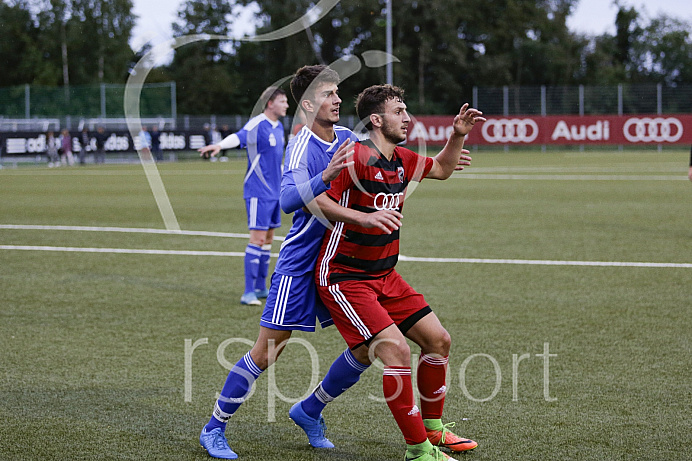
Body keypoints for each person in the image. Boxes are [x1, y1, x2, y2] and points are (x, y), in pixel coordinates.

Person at [198, 65, 403, 460]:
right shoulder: (301, 144)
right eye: (328, 94)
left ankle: (310, 410)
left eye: (338, 92)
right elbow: (288, 200)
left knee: (368, 344)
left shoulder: (346, 137)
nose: (338, 99)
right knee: (267, 351)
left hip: (340, 266)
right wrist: (326, 175)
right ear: (308, 103)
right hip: (300, 264)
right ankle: (214, 427)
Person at [312, 84, 485, 461]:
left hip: (384, 275)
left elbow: (441, 168)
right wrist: (364, 217)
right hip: (344, 275)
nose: (407, 118)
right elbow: (316, 198)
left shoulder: (403, 159)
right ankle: (418, 450)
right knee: (395, 351)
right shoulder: (356, 157)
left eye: (407, 111)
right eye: (399, 111)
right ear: (376, 119)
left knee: (438, 341)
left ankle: (434, 431)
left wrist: (456, 135)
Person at [198, 87, 289, 306]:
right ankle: (248, 292)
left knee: (267, 240)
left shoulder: (279, 128)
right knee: (256, 239)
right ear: (270, 103)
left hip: (275, 192)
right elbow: (238, 136)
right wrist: (219, 145)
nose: (287, 105)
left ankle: (260, 287)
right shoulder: (258, 123)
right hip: (258, 192)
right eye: (283, 101)